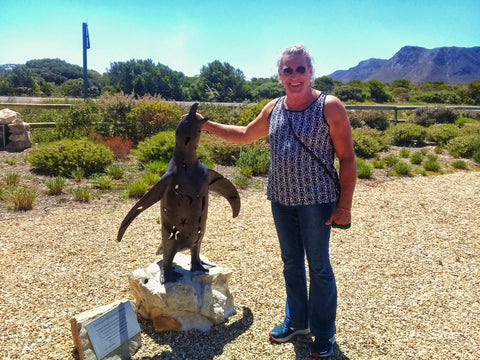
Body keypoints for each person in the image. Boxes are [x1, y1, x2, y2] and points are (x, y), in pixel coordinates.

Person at [200, 45, 357, 358]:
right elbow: (245, 133)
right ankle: (297, 321)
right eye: (288, 70)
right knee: (291, 264)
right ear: (280, 74)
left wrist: (345, 206)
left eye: (300, 69)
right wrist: (206, 125)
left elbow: (348, 158)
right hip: (281, 200)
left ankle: (323, 333)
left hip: (317, 202)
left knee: (320, 267)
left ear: (311, 72)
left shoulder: (330, 106)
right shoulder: (274, 108)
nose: (294, 76)